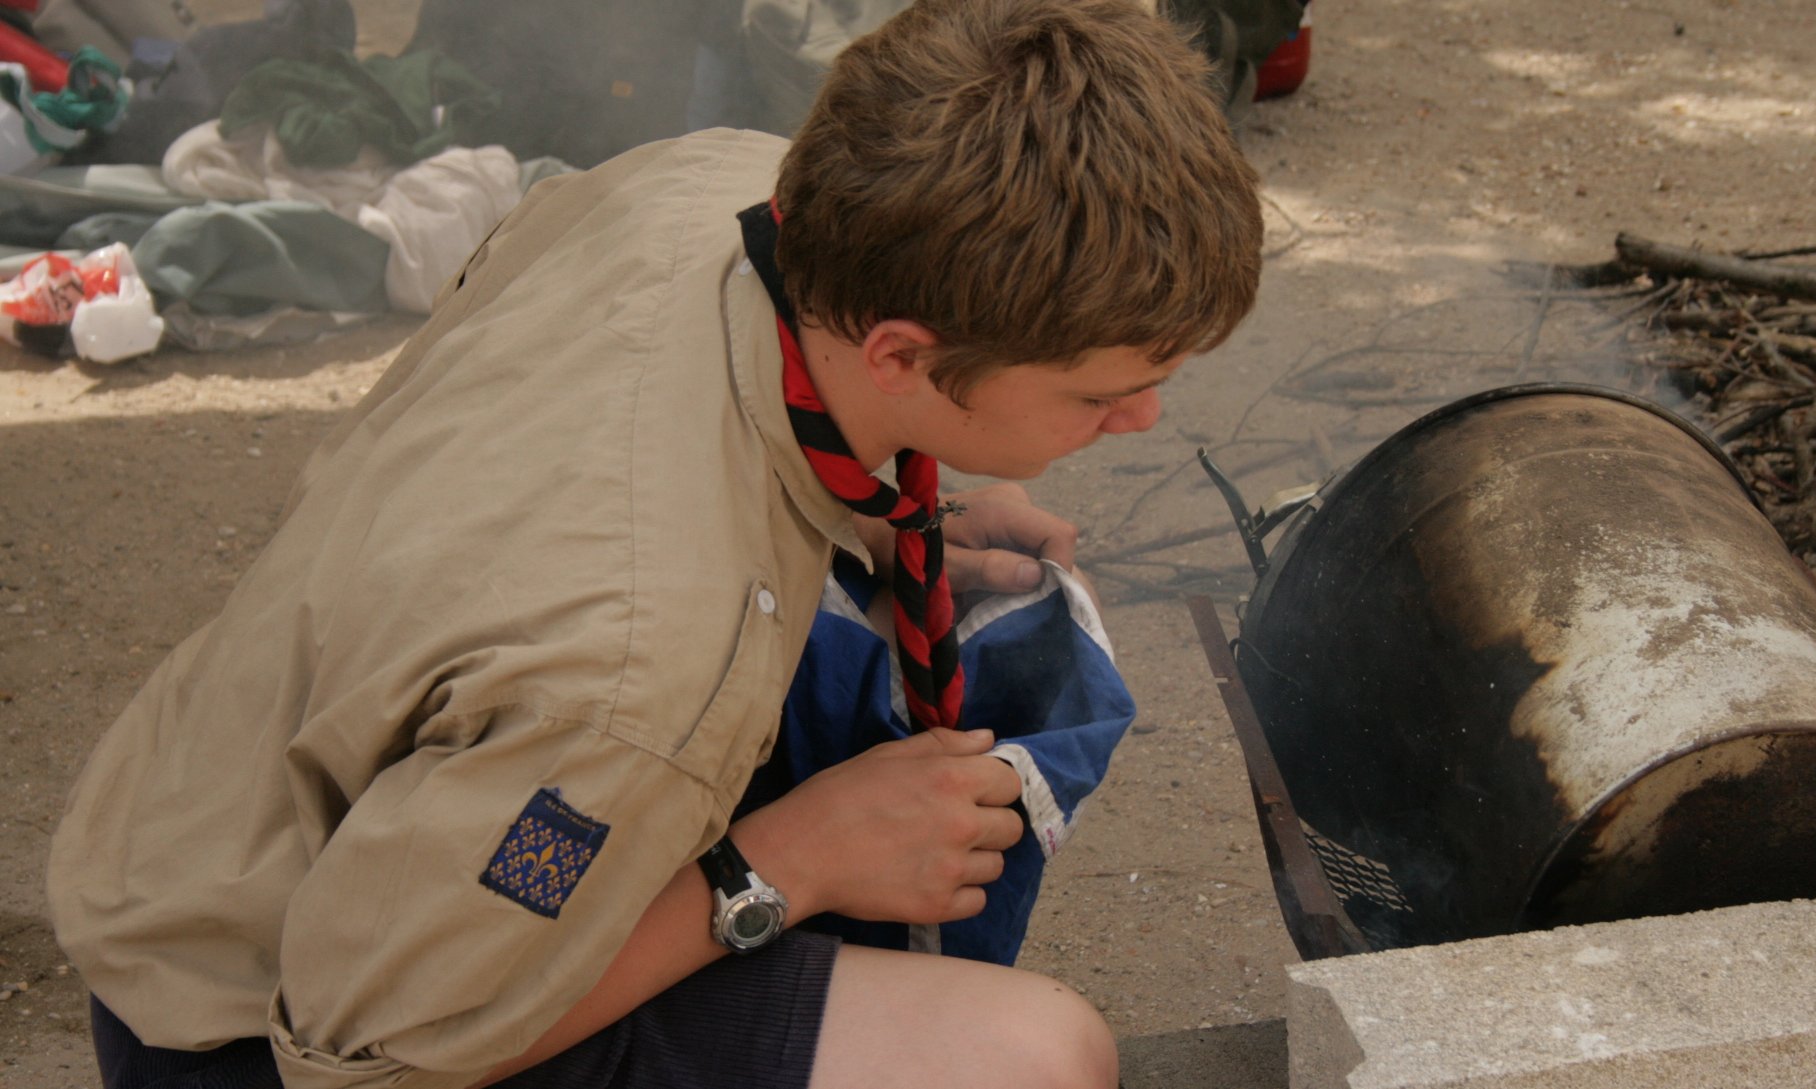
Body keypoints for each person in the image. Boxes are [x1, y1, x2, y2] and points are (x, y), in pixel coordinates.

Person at [46, 0, 1263, 1087]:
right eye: (1105, 392)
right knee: (1031, 1059)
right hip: (250, 1022)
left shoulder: (716, 184)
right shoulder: (630, 682)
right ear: (898, 354)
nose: (1141, 418)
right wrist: (787, 864)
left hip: (219, 815)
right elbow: (377, 1050)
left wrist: (880, 515)